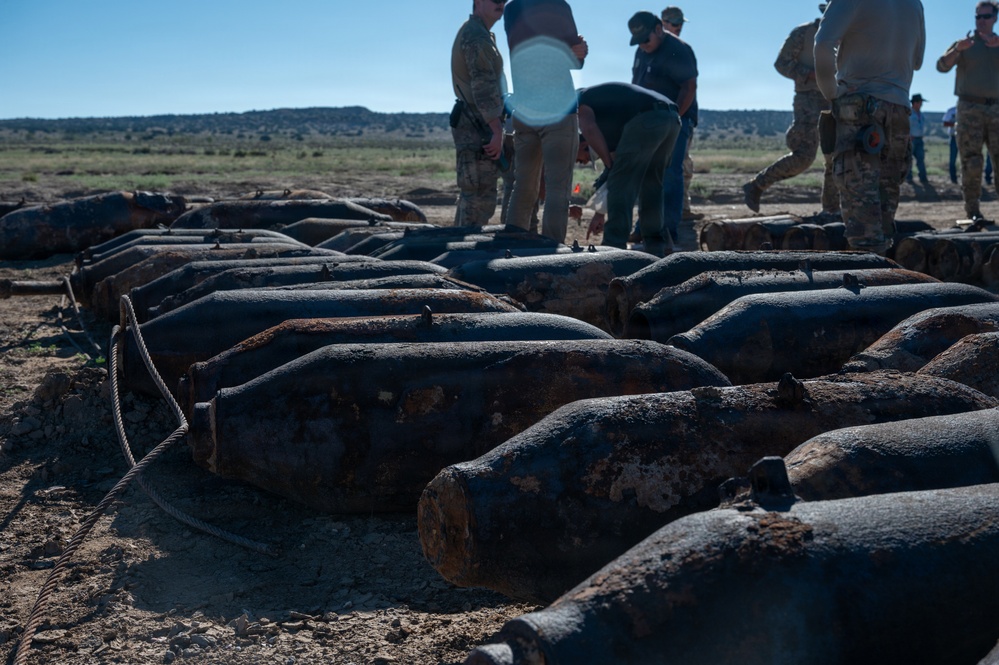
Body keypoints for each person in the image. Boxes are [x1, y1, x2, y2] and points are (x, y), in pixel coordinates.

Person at [815, 0, 925, 255]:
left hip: (860, 107)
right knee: (885, 204)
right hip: (899, 109)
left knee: (861, 205)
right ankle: (882, 273)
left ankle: (868, 281)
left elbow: (822, 44)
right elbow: (917, 60)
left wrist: (832, 93)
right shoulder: (915, 4)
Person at [504, 0, 588, 243]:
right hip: (558, 107)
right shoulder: (558, 6)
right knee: (558, 190)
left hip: (524, 108)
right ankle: (550, 257)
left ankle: (511, 247)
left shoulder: (512, 8)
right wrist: (579, 51)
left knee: (523, 186)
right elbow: (576, 58)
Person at [743, 4, 839, 215]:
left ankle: (831, 210)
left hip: (837, 100)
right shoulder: (803, 33)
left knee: (836, 157)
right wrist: (812, 74)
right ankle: (756, 185)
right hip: (809, 101)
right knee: (804, 156)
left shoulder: (847, 36)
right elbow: (781, 63)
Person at [575, 82, 681, 257]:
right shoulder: (611, 117)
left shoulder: (579, 100)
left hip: (647, 118)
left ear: (583, 144)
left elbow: (588, 128)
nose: (583, 162)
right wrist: (599, 214)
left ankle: (613, 249)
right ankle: (656, 249)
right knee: (651, 186)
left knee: (623, 186)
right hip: (672, 118)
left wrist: (610, 164)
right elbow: (615, 168)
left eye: (580, 158)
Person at [628, 10, 697, 247]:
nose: (643, 46)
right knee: (647, 172)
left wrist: (674, 118)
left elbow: (688, 88)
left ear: (659, 29)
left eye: (646, 40)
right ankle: (644, 227)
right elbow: (635, 86)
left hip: (676, 120)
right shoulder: (641, 51)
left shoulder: (679, 49)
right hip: (647, 121)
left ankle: (668, 232)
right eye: (638, 42)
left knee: (670, 174)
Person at [938, 1, 999, 222]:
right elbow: (941, 66)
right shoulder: (964, 44)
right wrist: (958, 50)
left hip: (997, 109)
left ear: (995, 18)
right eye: (977, 17)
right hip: (969, 108)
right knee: (971, 162)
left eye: (985, 16)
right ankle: (973, 212)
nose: (981, 21)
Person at [450, 0, 508, 227]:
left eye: (504, 0)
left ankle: (459, 252)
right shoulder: (476, 35)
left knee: (473, 196)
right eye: (495, 0)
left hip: (476, 121)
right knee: (478, 198)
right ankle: (462, 255)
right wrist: (496, 129)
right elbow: (482, 84)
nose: (501, 4)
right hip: (478, 124)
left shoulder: (481, 33)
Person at [661, 7, 702, 222]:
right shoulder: (656, 50)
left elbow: (690, 87)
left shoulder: (683, 49)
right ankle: (671, 215)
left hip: (682, 117)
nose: (678, 27)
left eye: (680, 22)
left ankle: (682, 210)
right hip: (670, 118)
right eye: (674, 22)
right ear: (662, 23)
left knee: (681, 165)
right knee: (669, 169)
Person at [906, 93, 929, 185]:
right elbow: (905, 126)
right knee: (908, 159)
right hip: (911, 139)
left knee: (920, 159)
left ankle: (923, 178)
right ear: (915, 103)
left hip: (919, 139)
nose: (921, 104)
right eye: (920, 102)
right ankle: (909, 178)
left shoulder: (921, 115)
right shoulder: (909, 114)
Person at [943, 104, 959, 183]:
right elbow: (945, 123)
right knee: (952, 159)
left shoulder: (969, 110)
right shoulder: (951, 110)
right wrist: (956, 125)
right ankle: (953, 178)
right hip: (954, 137)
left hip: (966, 137)